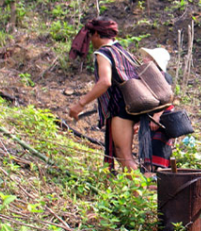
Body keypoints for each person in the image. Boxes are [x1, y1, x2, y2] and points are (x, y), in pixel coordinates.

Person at [68, 16, 140, 174]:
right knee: (123, 153)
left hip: (121, 108)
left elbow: (105, 82)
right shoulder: (122, 51)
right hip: (132, 106)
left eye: (91, 36)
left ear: (96, 34)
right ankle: (139, 194)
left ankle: (142, 196)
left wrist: (80, 104)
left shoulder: (104, 53)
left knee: (123, 154)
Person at [138, 47, 174, 171]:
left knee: (157, 153)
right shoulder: (147, 76)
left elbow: (168, 98)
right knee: (148, 154)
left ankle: (153, 182)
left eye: (148, 57)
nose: (144, 59)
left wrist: (157, 116)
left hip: (161, 119)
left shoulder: (163, 76)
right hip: (150, 119)